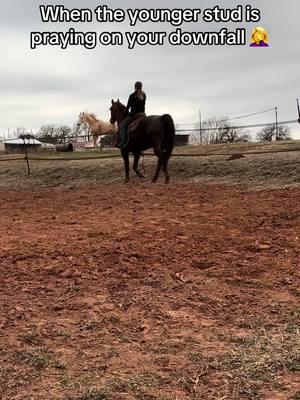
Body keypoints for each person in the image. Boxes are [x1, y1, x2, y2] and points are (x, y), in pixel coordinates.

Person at [117, 81, 146, 148]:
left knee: (122, 126)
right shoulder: (144, 95)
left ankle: (122, 142)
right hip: (143, 115)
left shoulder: (132, 96)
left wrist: (125, 114)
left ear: (134, 87)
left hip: (134, 115)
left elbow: (127, 107)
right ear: (141, 87)